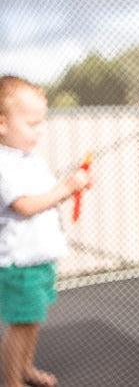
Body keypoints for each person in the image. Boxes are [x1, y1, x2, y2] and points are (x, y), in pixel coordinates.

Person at [0, 76, 91, 387]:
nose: (40, 131)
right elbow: (24, 205)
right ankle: (12, 381)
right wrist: (66, 188)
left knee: (33, 320)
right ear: (1, 123)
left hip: (38, 259)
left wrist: (70, 185)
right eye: (32, 123)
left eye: (41, 122)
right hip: (19, 264)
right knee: (21, 324)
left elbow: (47, 196)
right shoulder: (3, 163)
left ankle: (26, 368)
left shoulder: (30, 160)